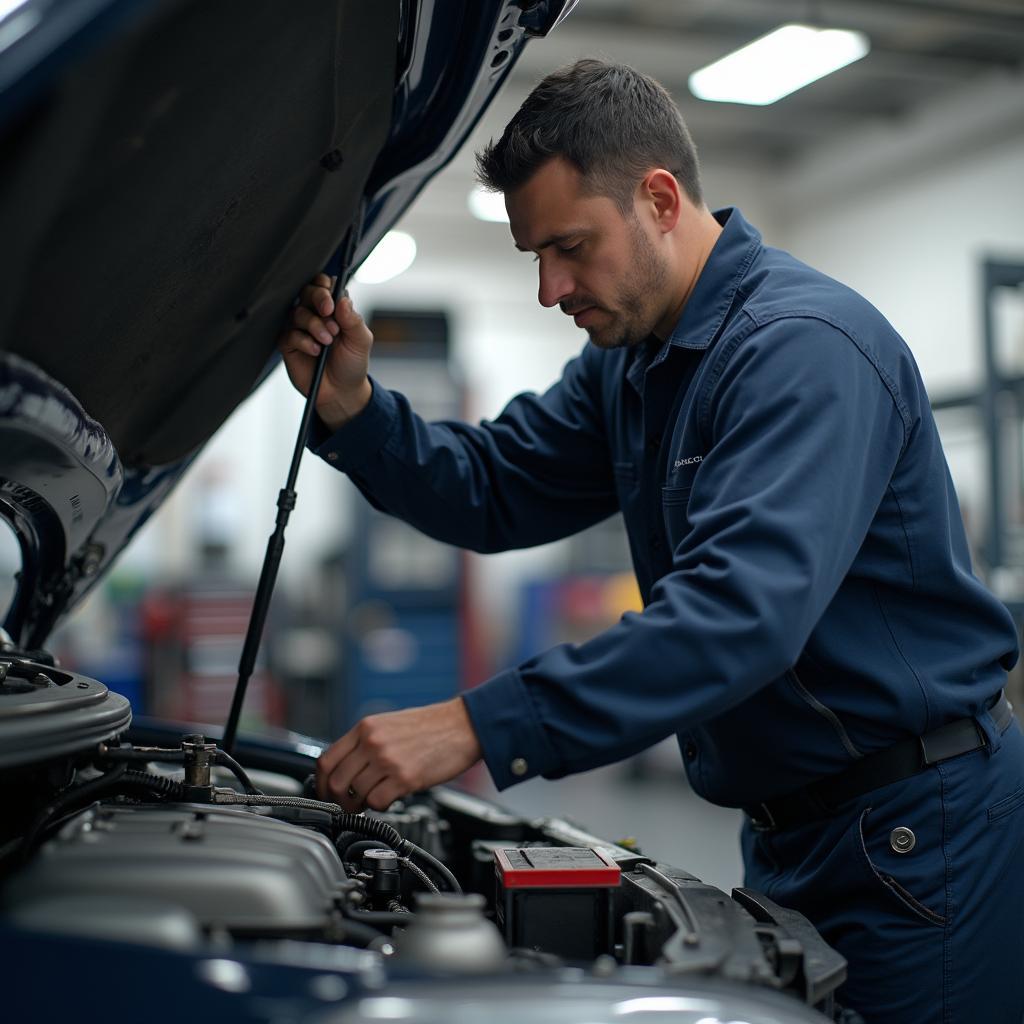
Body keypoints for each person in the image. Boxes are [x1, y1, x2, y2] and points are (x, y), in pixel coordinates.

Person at [279, 59, 1024, 1023]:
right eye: (533, 257)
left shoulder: (802, 348)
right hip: (792, 831)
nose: (551, 288)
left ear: (660, 200)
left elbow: (734, 619)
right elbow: (498, 486)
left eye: (570, 247)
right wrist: (358, 412)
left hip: (921, 835)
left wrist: (473, 725)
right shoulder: (630, 367)